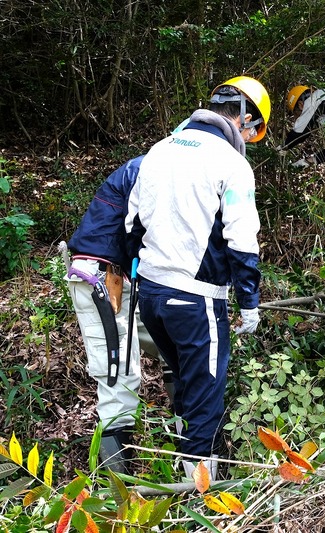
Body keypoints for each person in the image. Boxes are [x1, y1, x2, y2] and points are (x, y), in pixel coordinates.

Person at [125, 75, 270, 481]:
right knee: (206, 397)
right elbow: (242, 240)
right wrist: (250, 303)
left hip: (151, 297)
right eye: (254, 129)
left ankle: (180, 469)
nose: (251, 137)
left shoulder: (159, 149)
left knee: (189, 386)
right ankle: (200, 499)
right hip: (196, 299)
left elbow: (132, 225)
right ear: (242, 116)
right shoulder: (230, 163)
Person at [64, 157, 177, 475]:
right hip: (99, 280)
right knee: (120, 382)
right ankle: (118, 498)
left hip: (130, 279)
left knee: (179, 350)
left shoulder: (175, 167)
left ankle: (191, 460)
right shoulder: (158, 168)